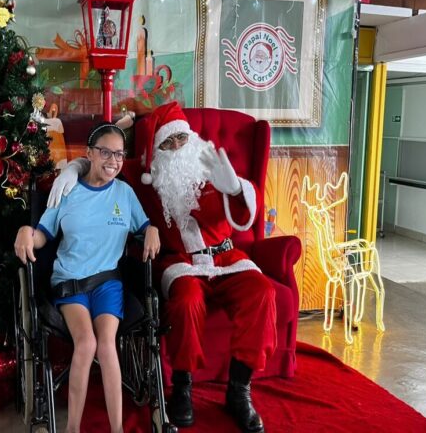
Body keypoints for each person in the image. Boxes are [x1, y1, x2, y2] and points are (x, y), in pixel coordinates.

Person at [47, 102, 276, 433]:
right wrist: (73, 169)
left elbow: (245, 215)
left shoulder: (212, 165)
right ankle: (183, 388)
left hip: (226, 257)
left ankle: (239, 391)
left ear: (192, 138)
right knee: (186, 302)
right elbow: (105, 161)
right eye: (168, 142)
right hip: (181, 262)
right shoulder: (145, 180)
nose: (177, 147)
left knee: (263, 292)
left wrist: (237, 188)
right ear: (157, 152)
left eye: (182, 138)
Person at [14, 122, 160, 433]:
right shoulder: (68, 192)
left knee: (107, 344)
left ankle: (117, 429)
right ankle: (72, 429)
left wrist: (152, 230)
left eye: (119, 154)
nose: (113, 161)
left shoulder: (125, 193)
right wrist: (25, 231)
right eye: (106, 152)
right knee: (86, 342)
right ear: (90, 154)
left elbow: (144, 227)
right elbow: (42, 235)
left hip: (108, 282)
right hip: (71, 281)